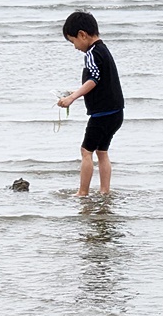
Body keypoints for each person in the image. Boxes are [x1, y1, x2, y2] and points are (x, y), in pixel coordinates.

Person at [57, 11, 125, 196]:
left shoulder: (91, 53)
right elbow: (101, 82)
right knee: (102, 152)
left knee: (86, 151)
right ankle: (104, 192)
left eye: (73, 42)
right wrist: (75, 92)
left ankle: (82, 192)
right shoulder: (104, 50)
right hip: (116, 113)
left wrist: (73, 97)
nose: (75, 47)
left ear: (82, 35)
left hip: (101, 115)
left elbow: (93, 79)